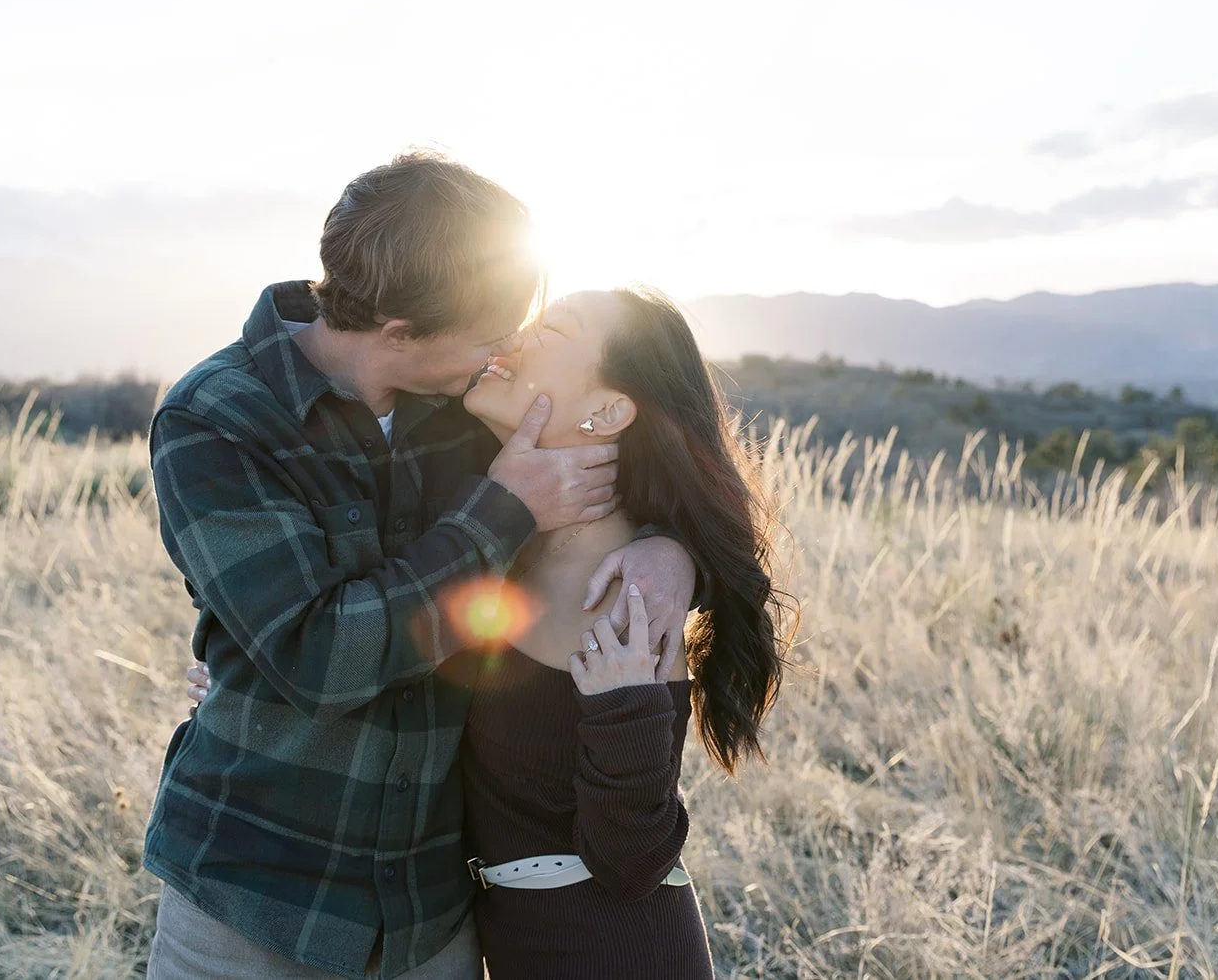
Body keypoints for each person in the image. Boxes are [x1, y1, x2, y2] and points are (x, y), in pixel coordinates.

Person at [142, 152, 700, 980]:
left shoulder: (467, 405)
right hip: (256, 900)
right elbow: (320, 659)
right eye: (490, 335)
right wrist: (501, 510)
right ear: (399, 336)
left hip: (428, 912)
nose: (508, 348)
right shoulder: (217, 420)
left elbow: (630, 467)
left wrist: (672, 553)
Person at [189, 288, 792, 979]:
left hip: (611, 953)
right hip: (511, 941)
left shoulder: (627, 596)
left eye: (553, 329)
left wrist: (629, 702)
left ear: (606, 410)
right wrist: (252, 679)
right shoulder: (503, 541)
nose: (513, 339)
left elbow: (634, 857)